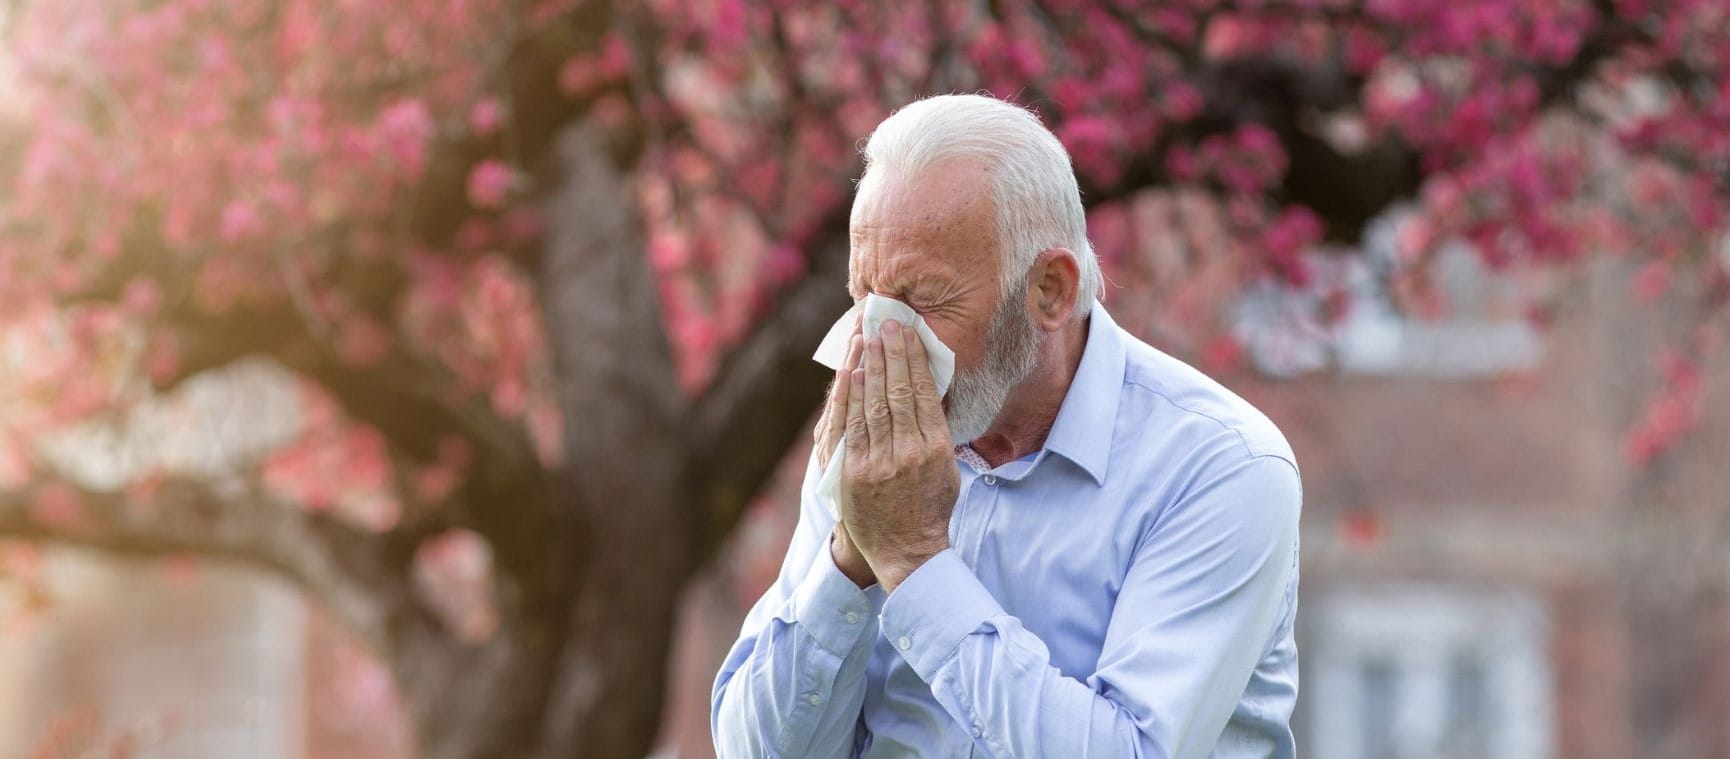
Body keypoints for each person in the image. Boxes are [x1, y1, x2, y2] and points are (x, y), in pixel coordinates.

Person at [711, 93, 1302, 759]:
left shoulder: (1220, 467)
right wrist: (851, 556)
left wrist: (912, 561)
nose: (879, 341)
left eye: (921, 300)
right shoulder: (882, 451)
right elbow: (758, 750)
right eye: (864, 298)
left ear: (1049, 289)